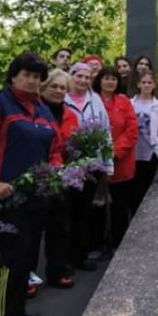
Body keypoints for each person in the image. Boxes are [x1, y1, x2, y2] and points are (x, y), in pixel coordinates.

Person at [0, 52, 61, 316]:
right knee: (13, 257)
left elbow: (55, 147)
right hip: (7, 198)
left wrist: (55, 170)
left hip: (38, 196)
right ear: (14, 76)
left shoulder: (42, 109)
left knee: (27, 256)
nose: (31, 81)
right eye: (26, 75)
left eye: (36, 77)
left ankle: (17, 310)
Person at [31, 69, 78, 293]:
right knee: (31, 231)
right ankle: (26, 277)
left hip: (61, 178)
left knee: (59, 228)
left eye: (63, 88)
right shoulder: (33, 110)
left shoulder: (70, 114)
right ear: (43, 87)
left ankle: (58, 272)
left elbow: (74, 143)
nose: (59, 91)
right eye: (54, 86)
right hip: (35, 178)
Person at [64, 63, 114, 270]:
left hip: (92, 165)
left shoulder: (96, 101)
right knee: (66, 213)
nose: (83, 81)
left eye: (87, 77)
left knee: (85, 212)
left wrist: (108, 163)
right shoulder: (62, 99)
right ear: (71, 76)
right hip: (68, 165)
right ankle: (64, 258)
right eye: (79, 76)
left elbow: (105, 131)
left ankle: (81, 256)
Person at [94, 66, 138, 250]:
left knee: (119, 208)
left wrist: (114, 151)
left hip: (121, 164)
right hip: (96, 164)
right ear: (100, 81)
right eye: (106, 78)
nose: (110, 82)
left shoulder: (124, 101)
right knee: (97, 209)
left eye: (114, 79)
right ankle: (97, 244)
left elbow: (132, 130)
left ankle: (119, 244)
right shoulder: (93, 100)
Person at [129, 69, 158, 214]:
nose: (146, 85)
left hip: (151, 152)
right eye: (144, 82)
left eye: (149, 83)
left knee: (148, 188)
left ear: (154, 85)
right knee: (135, 189)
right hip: (133, 153)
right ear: (138, 84)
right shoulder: (129, 103)